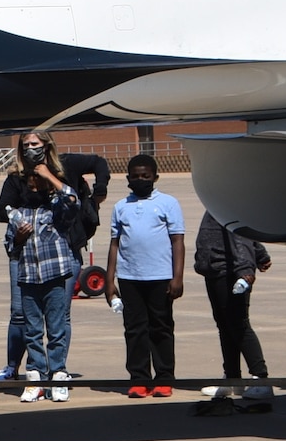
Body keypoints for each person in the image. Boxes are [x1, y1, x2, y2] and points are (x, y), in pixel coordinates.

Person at [0, 134, 95, 380]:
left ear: (46, 146)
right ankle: (31, 369)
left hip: (60, 260)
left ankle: (58, 369)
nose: (30, 149)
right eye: (26, 145)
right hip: (27, 264)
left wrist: (48, 176)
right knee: (28, 321)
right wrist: (18, 233)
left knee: (59, 320)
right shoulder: (16, 182)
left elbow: (72, 201)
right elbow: (3, 214)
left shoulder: (58, 179)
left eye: (35, 144)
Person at [4, 138, 81, 403]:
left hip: (54, 276)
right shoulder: (19, 215)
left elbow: (73, 202)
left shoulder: (55, 210)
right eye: (31, 183)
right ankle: (35, 377)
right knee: (32, 330)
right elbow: (9, 247)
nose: (34, 186)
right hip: (28, 278)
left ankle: (57, 374)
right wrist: (18, 239)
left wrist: (49, 174)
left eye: (39, 183)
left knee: (57, 329)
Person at [105, 154, 184, 401]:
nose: (141, 180)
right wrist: (110, 282)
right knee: (134, 329)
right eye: (136, 177)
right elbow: (114, 244)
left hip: (160, 276)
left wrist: (177, 277)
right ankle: (139, 379)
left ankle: (164, 378)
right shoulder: (121, 207)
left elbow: (177, 241)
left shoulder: (168, 203)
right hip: (130, 277)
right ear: (128, 179)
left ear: (155, 177)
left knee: (160, 327)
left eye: (145, 176)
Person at [194, 212, 273, 413]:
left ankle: (261, 379)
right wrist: (261, 254)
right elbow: (246, 230)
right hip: (215, 270)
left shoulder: (226, 203)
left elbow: (240, 235)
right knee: (225, 327)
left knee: (239, 325)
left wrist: (246, 271)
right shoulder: (216, 201)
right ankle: (232, 378)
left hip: (230, 272)